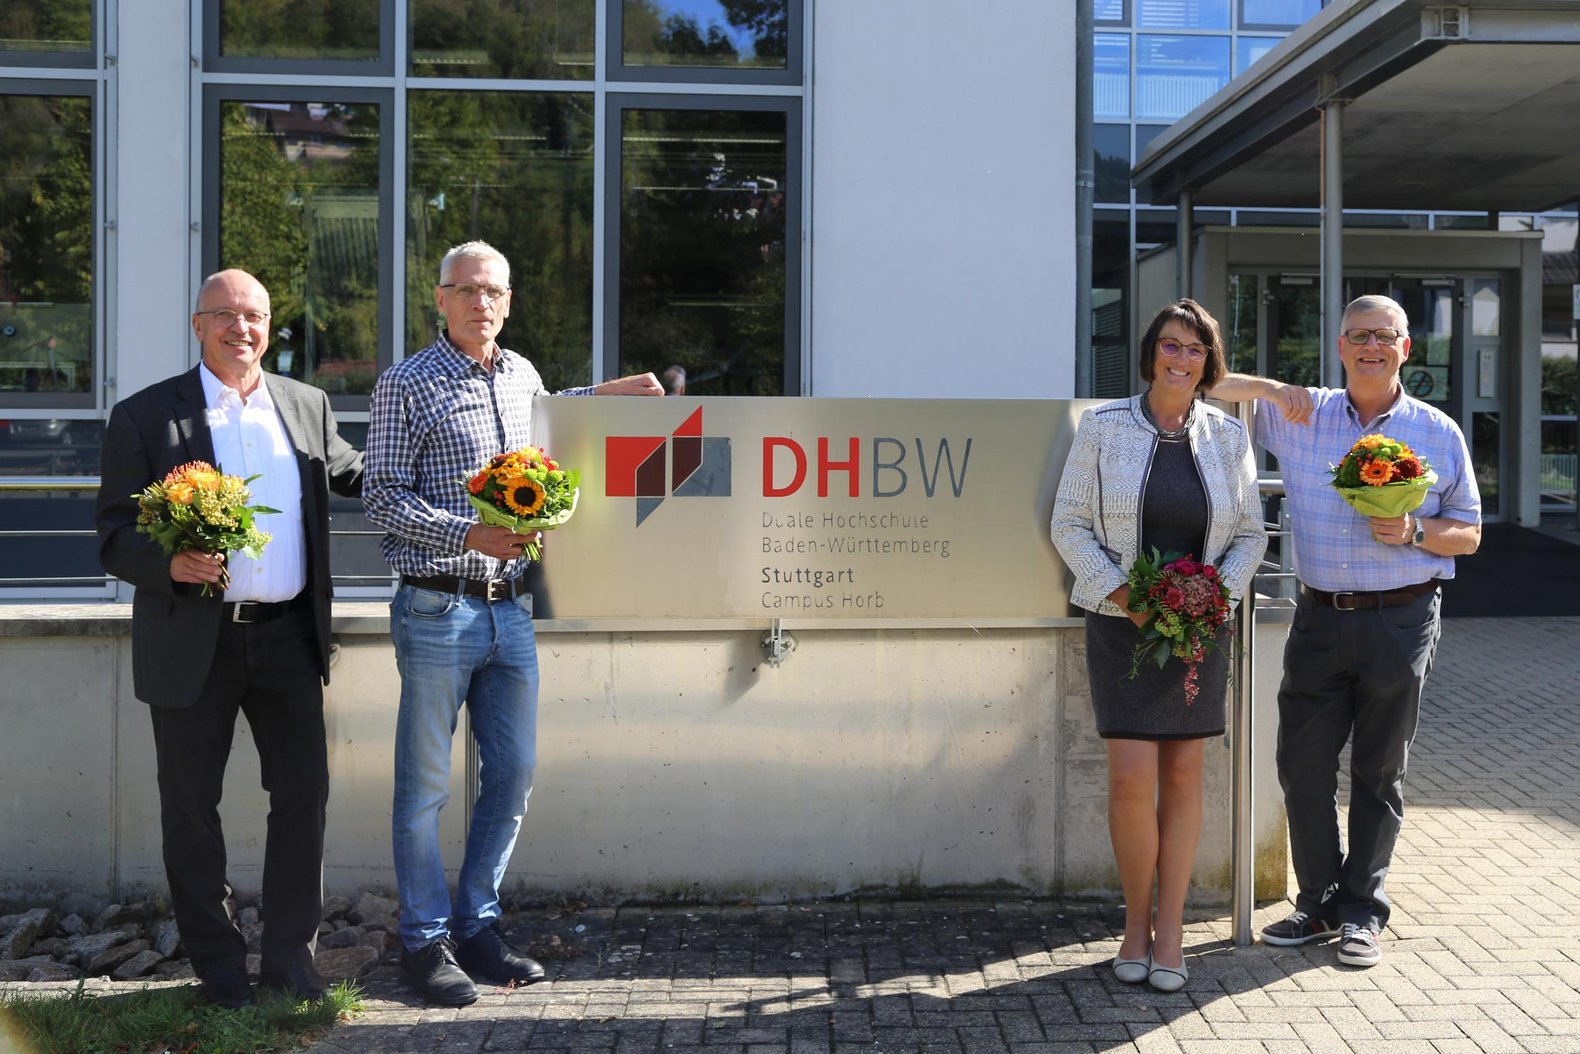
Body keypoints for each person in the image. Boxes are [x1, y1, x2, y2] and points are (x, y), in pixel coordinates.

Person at [362, 240, 664, 1007]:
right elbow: (381, 497)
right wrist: (468, 534)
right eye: (465, 290)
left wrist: (608, 393)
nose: (480, 303)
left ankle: (477, 926)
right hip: (437, 605)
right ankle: (423, 943)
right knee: (425, 786)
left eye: (493, 290)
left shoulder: (521, 373)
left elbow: (542, 415)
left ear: (508, 299)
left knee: (515, 774)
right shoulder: (406, 383)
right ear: (439, 298)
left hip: (512, 610)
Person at [95, 269, 364, 1008]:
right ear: (198, 324)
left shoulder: (305, 405)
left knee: (303, 797)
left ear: (270, 327)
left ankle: (290, 964)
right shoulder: (147, 415)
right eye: (226, 316)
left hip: (287, 639)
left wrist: (457, 481)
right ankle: (218, 973)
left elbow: (358, 474)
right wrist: (170, 564)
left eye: (255, 317)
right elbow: (114, 535)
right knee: (190, 809)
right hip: (193, 641)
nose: (241, 329)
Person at [1209, 293, 1481, 968]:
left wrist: (1416, 528)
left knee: (1378, 769)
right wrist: (1274, 386)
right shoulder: (1305, 414)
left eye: (1385, 336)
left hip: (1403, 616)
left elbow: (1470, 532)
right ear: (1339, 346)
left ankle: (1362, 910)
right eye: (1359, 335)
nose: (1371, 346)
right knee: (1300, 765)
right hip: (1320, 615)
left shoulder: (1438, 431)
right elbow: (1204, 383)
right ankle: (1319, 900)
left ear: (1406, 349)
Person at [1051, 298, 1267, 993]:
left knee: (1183, 778)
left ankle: (1171, 931)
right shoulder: (1104, 427)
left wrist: (1212, 599)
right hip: (1123, 626)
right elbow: (1069, 524)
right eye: (1171, 346)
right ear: (1151, 353)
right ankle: (1135, 926)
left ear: (1209, 362)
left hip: (1200, 632)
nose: (1181, 359)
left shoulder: (1228, 438)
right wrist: (1128, 599)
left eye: (1195, 349)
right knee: (1131, 778)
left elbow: (1250, 536)